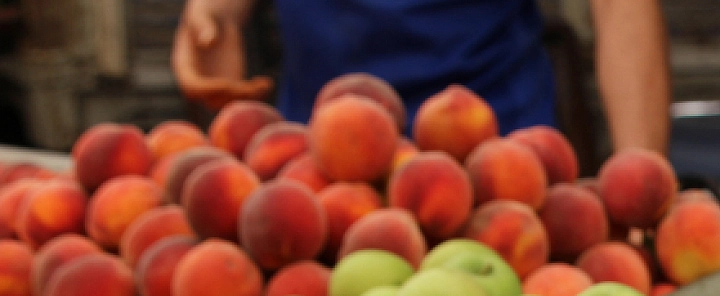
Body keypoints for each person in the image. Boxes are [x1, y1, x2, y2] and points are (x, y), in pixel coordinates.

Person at [172, 0, 670, 151]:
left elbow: (623, 11)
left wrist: (643, 172)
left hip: (495, 169)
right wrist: (208, 26)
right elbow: (217, 13)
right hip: (323, 175)